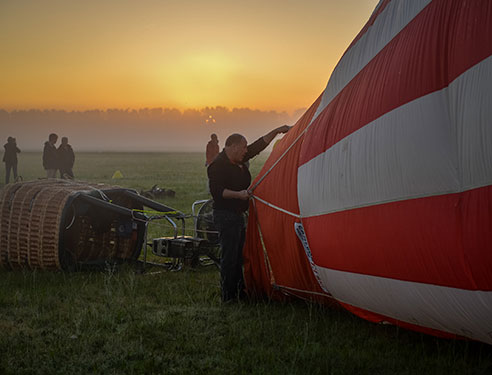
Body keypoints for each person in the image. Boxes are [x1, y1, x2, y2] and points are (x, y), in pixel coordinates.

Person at [207, 125, 291, 302]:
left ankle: (239, 292)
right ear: (234, 147)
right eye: (243, 147)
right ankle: (228, 297)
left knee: (239, 256)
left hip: (238, 215)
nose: (246, 151)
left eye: (246, 148)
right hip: (225, 215)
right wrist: (239, 194)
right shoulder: (217, 165)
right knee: (230, 257)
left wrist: (278, 130)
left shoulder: (239, 159)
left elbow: (258, 145)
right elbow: (217, 191)